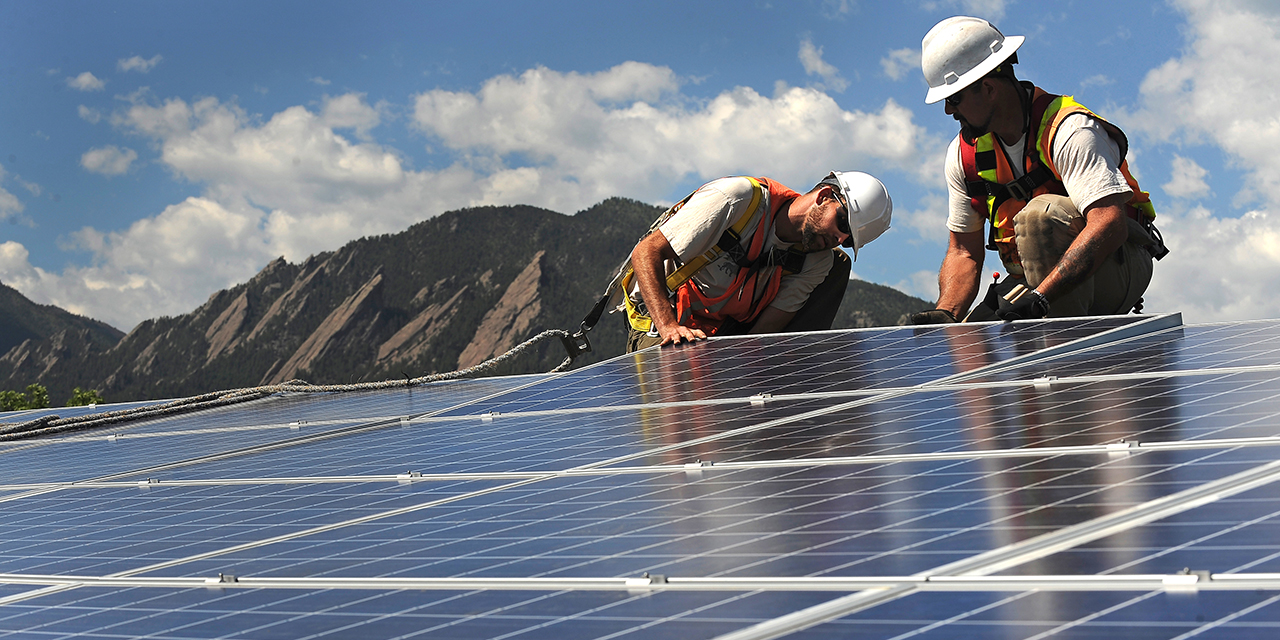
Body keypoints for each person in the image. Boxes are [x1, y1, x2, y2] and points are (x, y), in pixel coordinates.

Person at [908, 16, 1166, 325]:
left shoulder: (1069, 130)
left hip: (1118, 262)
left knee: (1039, 217)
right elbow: (964, 251)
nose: (949, 110)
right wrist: (946, 313)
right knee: (975, 344)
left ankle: (1059, 356)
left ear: (988, 88)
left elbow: (1109, 223)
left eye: (954, 98)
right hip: (1032, 278)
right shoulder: (964, 156)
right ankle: (1038, 338)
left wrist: (1040, 299)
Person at [624, 171, 891, 352]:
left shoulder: (817, 261)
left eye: (848, 240)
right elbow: (646, 252)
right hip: (664, 320)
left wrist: (744, 370)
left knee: (838, 264)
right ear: (823, 197)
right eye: (842, 222)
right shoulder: (737, 199)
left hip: (720, 334)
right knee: (676, 382)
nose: (839, 237)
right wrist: (668, 326)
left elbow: (763, 333)